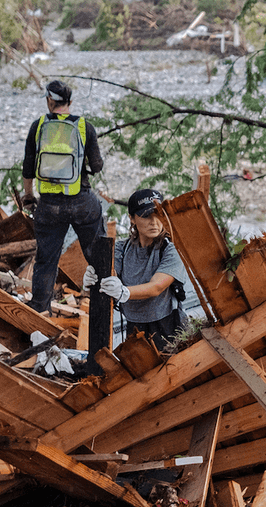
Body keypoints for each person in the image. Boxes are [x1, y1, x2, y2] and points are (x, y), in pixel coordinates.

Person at [21, 79, 106, 314]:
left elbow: (28, 168)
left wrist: (29, 196)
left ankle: (40, 309)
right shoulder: (84, 126)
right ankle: (106, 306)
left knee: (46, 260)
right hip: (81, 202)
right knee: (98, 256)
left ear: (50, 101)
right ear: (70, 101)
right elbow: (97, 166)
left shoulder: (38, 126)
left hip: (49, 206)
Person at [82, 188, 187, 352]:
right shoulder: (122, 249)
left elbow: (156, 287)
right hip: (135, 326)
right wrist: (94, 278)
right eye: (146, 216)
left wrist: (124, 292)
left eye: (158, 215)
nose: (154, 222)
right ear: (132, 218)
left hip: (167, 326)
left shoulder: (171, 249)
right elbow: (110, 273)